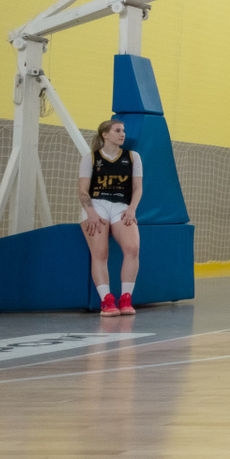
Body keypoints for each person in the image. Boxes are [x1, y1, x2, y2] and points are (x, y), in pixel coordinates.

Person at [78, 118, 143, 317]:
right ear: (105, 135)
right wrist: (90, 212)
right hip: (96, 205)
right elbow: (83, 190)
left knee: (132, 248)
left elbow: (137, 188)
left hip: (121, 206)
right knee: (100, 253)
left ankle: (126, 299)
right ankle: (106, 301)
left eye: (123, 130)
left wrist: (132, 208)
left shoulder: (133, 157)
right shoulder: (90, 158)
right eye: (117, 130)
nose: (122, 134)